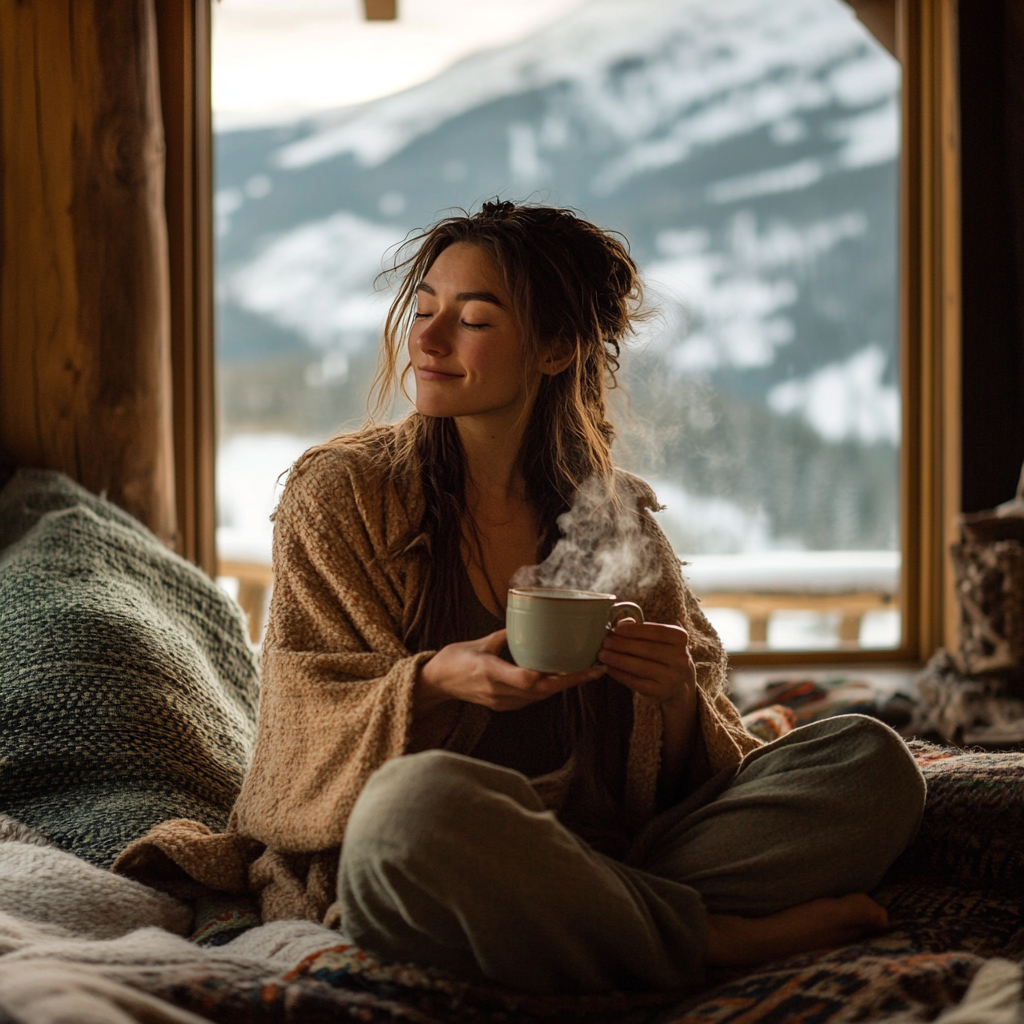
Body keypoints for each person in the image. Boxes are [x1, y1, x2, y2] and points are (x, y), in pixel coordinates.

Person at [118, 201, 926, 995]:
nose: (427, 340)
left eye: (471, 319)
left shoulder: (612, 517)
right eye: (423, 309)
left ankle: (587, 917)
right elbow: (298, 717)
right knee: (413, 810)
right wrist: (433, 682)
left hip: (611, 850)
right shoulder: (343, 496)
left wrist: (675, 696)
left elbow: (696, 759)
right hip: (436, 847)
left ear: (555, 349)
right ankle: (706, 937)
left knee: (868, 759)